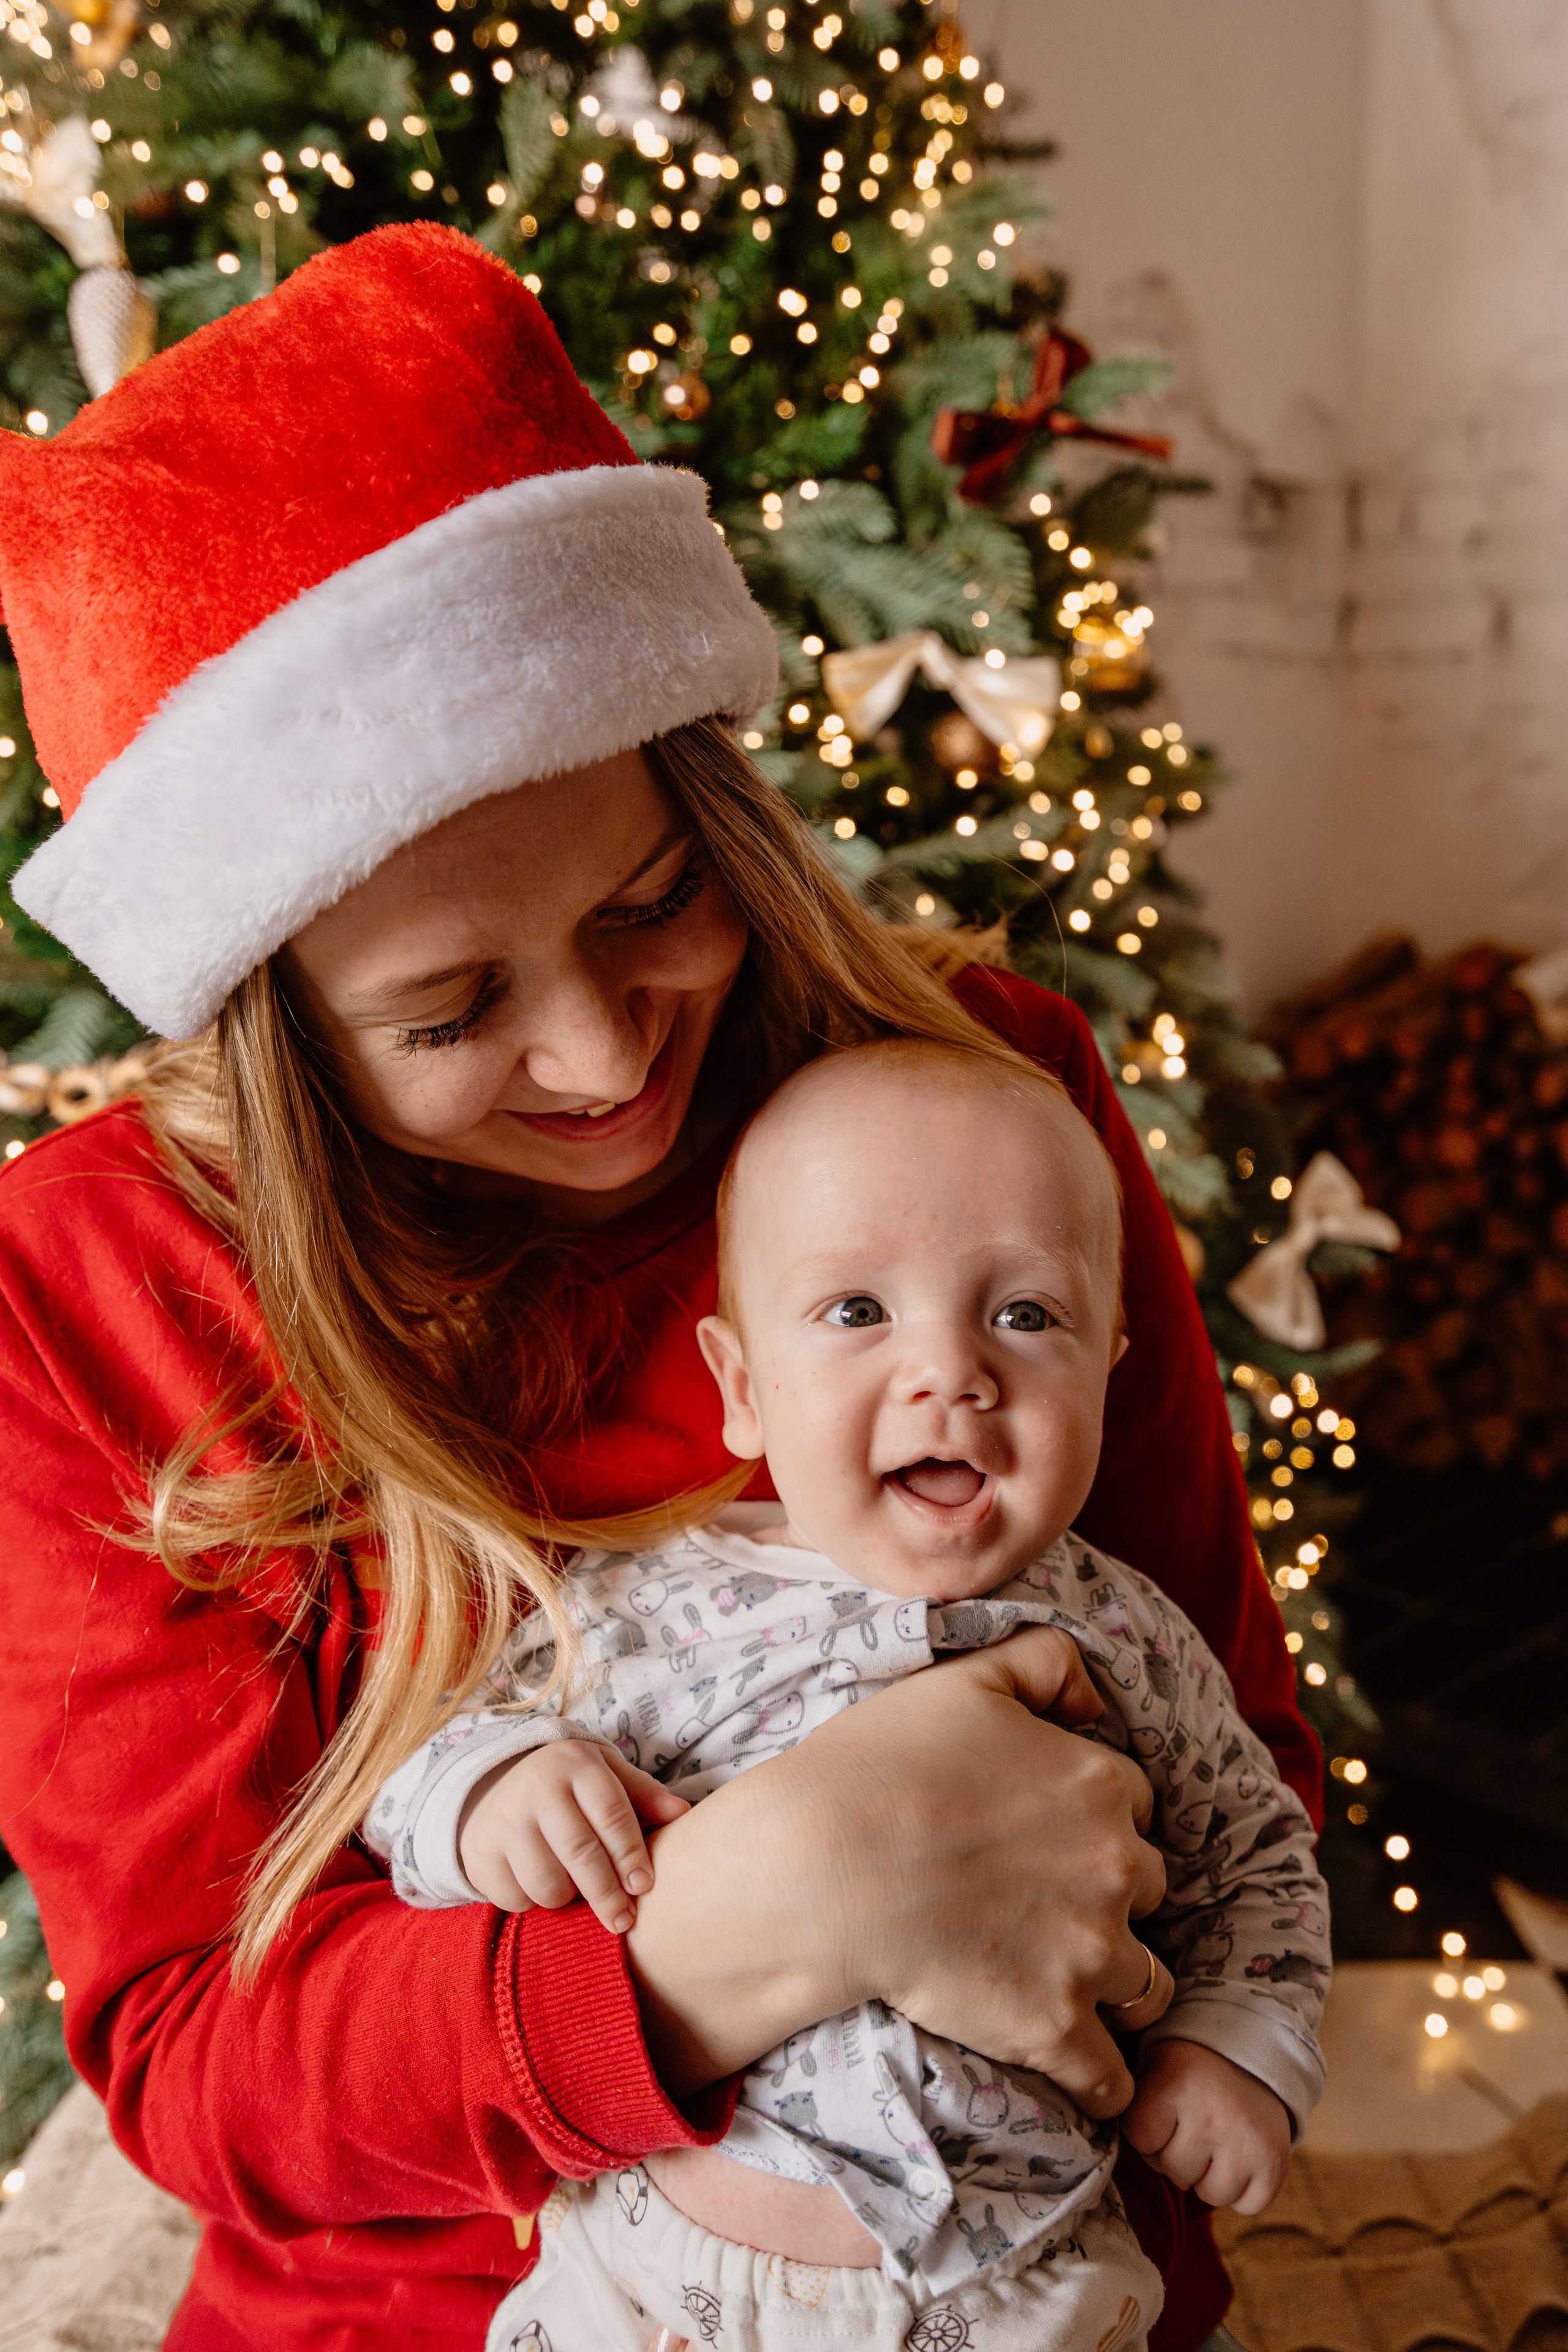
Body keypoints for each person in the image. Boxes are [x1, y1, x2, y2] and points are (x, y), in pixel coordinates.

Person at [0, 223, 1316, 2351]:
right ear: (278, 1026)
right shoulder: (97, 1279)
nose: (611, 1058)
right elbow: (192, 2048)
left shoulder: (979, 1098)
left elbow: (1224, 1742)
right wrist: (749, 1926)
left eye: (652, 905)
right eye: (448, 1014)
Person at [373, 1041, 1329, 2352]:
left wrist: (1236, 2047)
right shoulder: (638, 1607)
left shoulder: (1129, 1637)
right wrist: (492, 1791)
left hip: (1010, 2279)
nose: (948, 1373)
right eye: (856, 1313)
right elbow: (416, 1767)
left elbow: (1256, 1850)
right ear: (742, 1387)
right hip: (661, 2265)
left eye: (1024, 1315)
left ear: (1112, 1355)